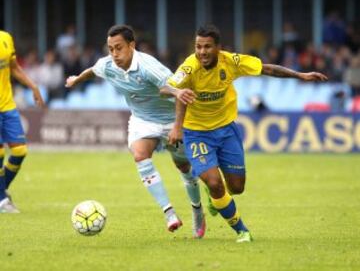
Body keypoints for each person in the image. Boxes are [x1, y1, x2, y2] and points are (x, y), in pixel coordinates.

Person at [161, 24, 328, 243]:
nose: (202, 52)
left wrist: (300, 75)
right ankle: (242, 230)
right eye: (198, 47)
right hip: (197, 133)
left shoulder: (231, 62)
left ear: (218, 48)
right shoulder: (190, 67)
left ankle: (216, 198)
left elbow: (266, 69)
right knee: (214, 183)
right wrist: (177, 96)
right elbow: (165, 88)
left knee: (236, 188)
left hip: (226, 130)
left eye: (207, 47)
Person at [65, 25, 206, 238]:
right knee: (140, 155)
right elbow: (92, 70)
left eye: (119, 48)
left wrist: (177, 109)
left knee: (184, 167)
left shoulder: (149, 67)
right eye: (110, 49)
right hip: (143, 120)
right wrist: (76, 79)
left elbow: (170, 88)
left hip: (172, 120)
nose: (114, 54)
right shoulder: (108, 65)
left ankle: (197, 210)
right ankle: (169, 213)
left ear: (132, 45)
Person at [0, 30, 45, 213]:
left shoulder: (6, 38)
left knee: (20, 151)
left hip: (7, 106)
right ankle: (2, 201)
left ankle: (1, 192)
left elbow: (14, 68)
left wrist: (33, 86)